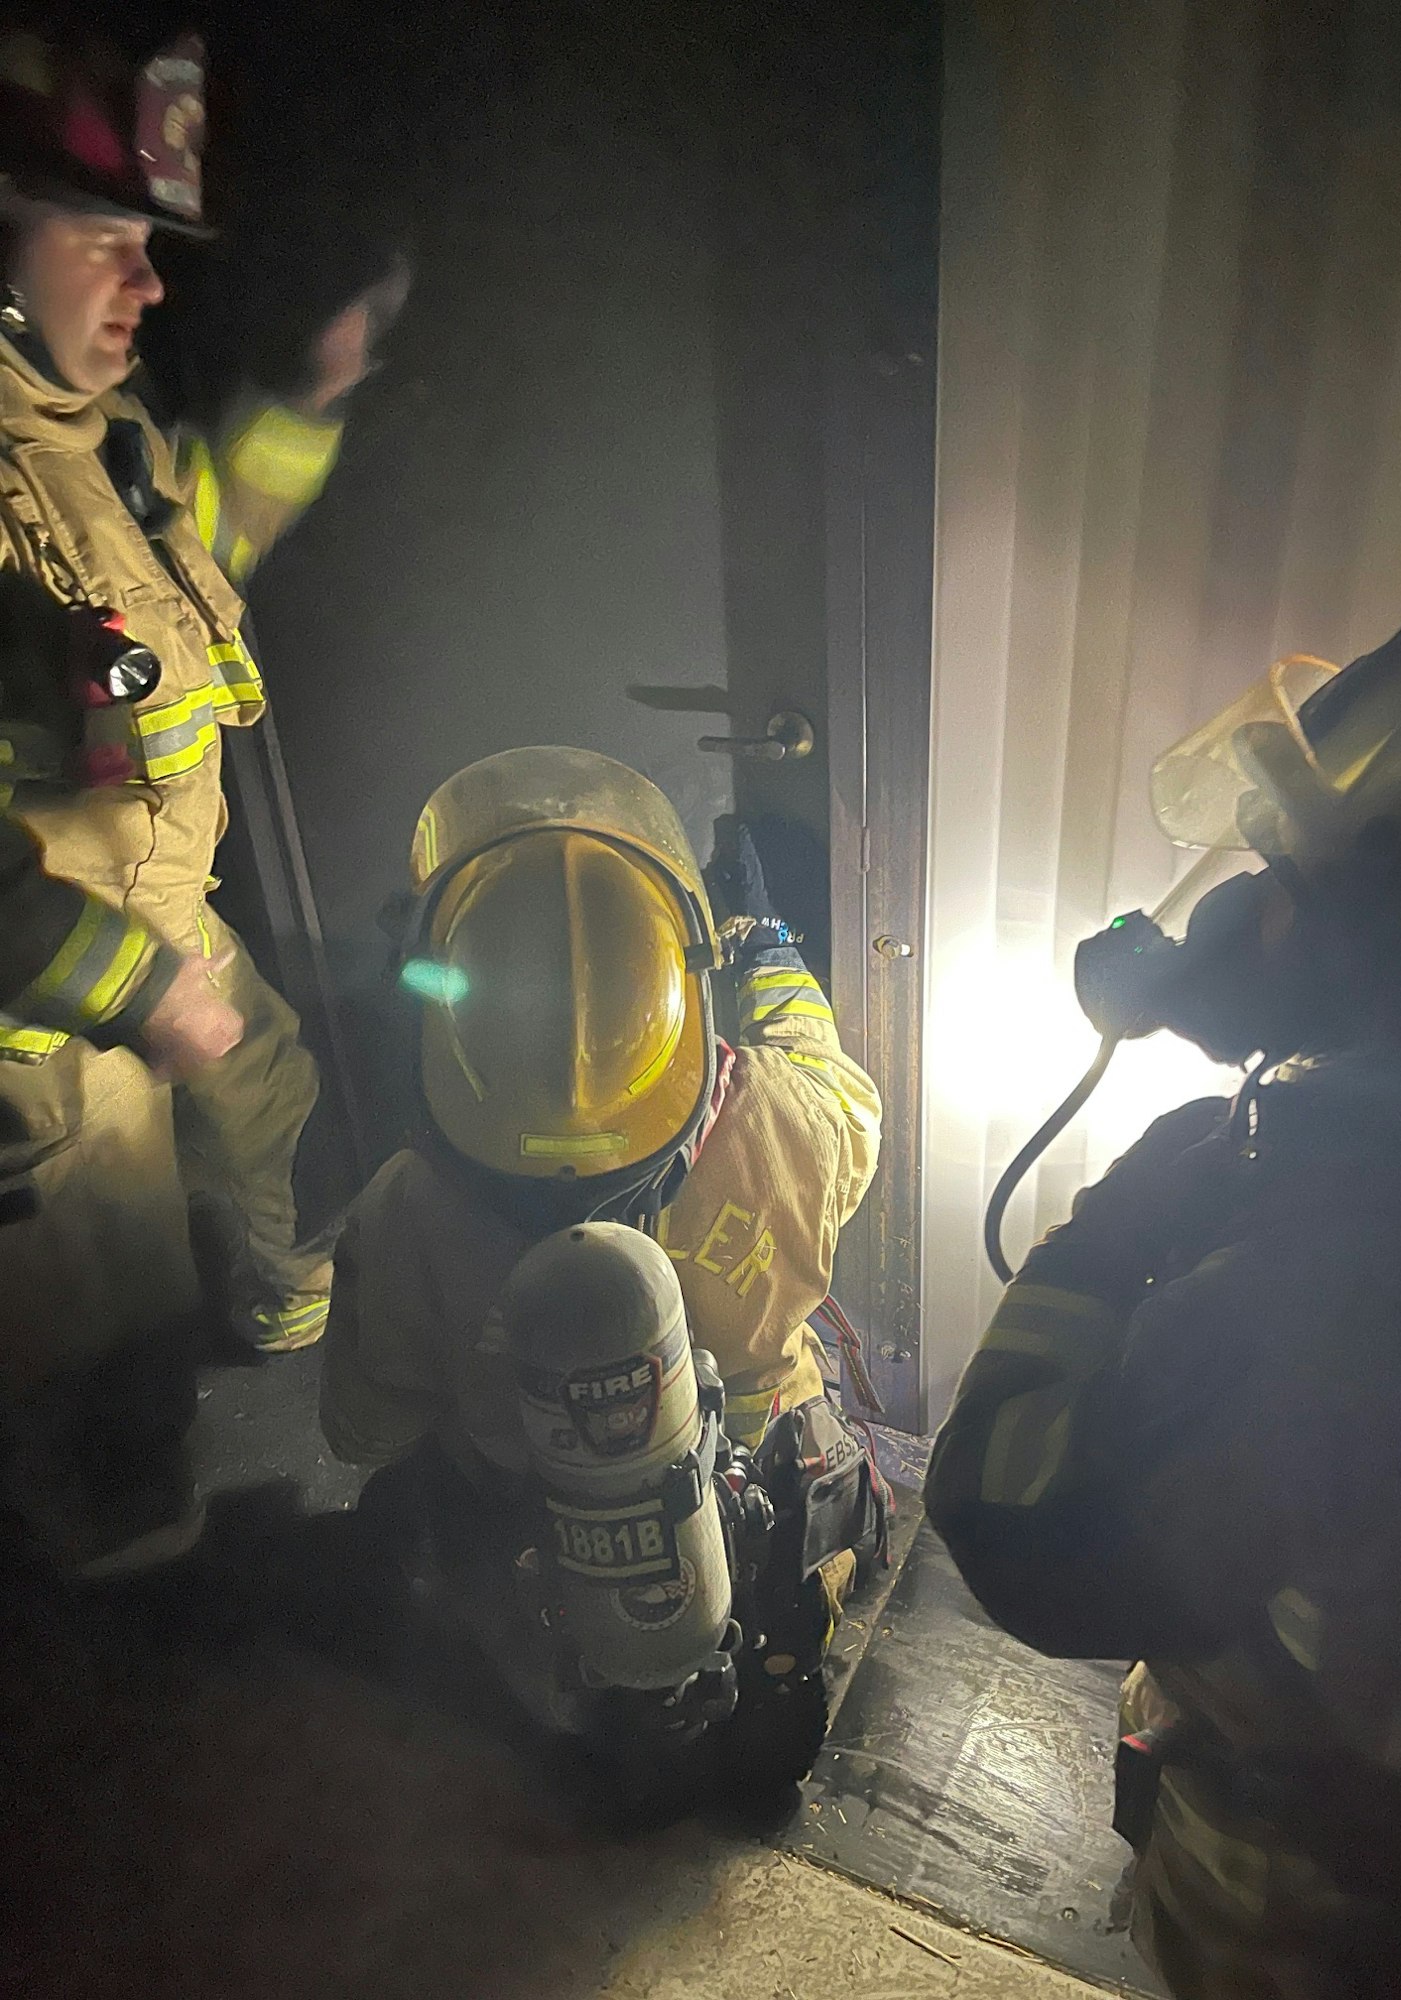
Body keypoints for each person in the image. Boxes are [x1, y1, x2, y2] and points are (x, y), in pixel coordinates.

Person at [926, 553, 1401, 1999]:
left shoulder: (1333, 1295)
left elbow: (1014, 1518)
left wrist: (1114, 1229)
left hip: (1310, 1920)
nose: (1252, 908)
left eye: (1294, 875)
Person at [0, 28, 385, 1572]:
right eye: (105, 240)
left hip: (158, 926)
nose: (147, 285)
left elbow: (212, 534)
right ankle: (121, 1619)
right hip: (42, 1030)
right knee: (114, 1387)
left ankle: (280, 1340)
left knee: (270, 1095)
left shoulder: (107, 439)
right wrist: (137, 988)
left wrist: (311, 394)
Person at [318, 748, 884, 1779]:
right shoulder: (789, 1119)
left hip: (539, 1556)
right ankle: (793, 1626)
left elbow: (364, 1428)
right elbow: (832, 1075)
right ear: (681, 992)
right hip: (756, 1510)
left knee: (409, 1501)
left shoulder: (404, 1205)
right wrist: (767, 941)